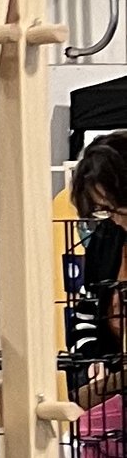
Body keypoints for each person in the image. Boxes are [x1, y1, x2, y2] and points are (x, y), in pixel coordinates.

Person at [70, 133, 127, 404]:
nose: (114, 217)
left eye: (119, 206)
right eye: (104, 209)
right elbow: (85, 313)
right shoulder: (106, 239)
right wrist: (93, 359)